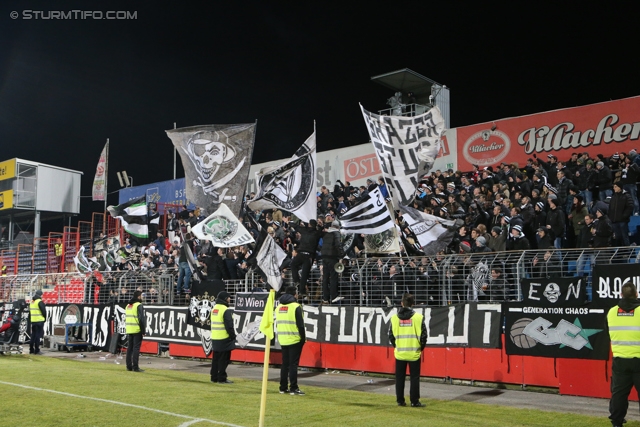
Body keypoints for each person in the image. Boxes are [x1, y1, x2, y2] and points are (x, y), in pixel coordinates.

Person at [607, 282, 640, 427]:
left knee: (619, 395)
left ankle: (616, 422)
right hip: (638, 360)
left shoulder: (612, 312)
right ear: (636, 294)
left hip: (620, 360)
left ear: (621, 295)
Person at [389, 293, 427, 407]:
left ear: (402, 303)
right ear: (412, 304)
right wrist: (420, 348)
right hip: (414, 353)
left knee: (399, 378)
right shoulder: (418, 318)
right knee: (414, 378)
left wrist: (397, 346)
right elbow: (424, 336)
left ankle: (400, 400)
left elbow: (391, 336)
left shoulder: (394, 318)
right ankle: (414, 401)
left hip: (400, 353)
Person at [276, 286, 306, 395]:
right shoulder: (296, 306)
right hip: (294, 339)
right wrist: (303, 338)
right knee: (293, 365)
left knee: (285, 364)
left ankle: (282, 387)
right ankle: (294, 388)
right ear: (294, 294)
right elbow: (300, 325)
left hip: (283, 339)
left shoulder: (279, 307)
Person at [210, 291, 235, 384]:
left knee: (215, 359)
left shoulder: (214, 309)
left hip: (215, 337)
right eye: (228, 297)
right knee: (224, 360)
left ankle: (214, 377)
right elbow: (229, 325)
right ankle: (222, 378)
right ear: (225, 299)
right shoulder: (225, 310)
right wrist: (233, 336)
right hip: (224, 338)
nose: (230, 299)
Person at [321, 220, 344, 304]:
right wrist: (341, 255)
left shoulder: (326, 234)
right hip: (332, 257)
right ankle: (334, 296)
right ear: (338, 227)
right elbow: (338, 244)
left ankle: (325, 298)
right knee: (334, 277)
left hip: (324, 257)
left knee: (325, 278)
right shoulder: (336, 233)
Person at [125, 290, 146, 372]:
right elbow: (141, 319)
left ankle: (129, 366)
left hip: (129, 329)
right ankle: (135, 367)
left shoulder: (128, 305)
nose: (143, 297)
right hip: (137, 329)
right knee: (136, 348)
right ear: (138, 297)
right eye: (142, 296)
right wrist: (143, 330)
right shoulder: (139, 305)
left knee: (129, 348)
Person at [29, 290, 46, 355]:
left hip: (33, 321)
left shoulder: (32, 302)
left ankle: (31, 349)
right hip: (39, 320)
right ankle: (37, 350)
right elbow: (43, 312)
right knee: (38, 336)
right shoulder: (40, 302)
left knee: (33, 335)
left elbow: (30, 312)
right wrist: (44, 319)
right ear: (40, 295)